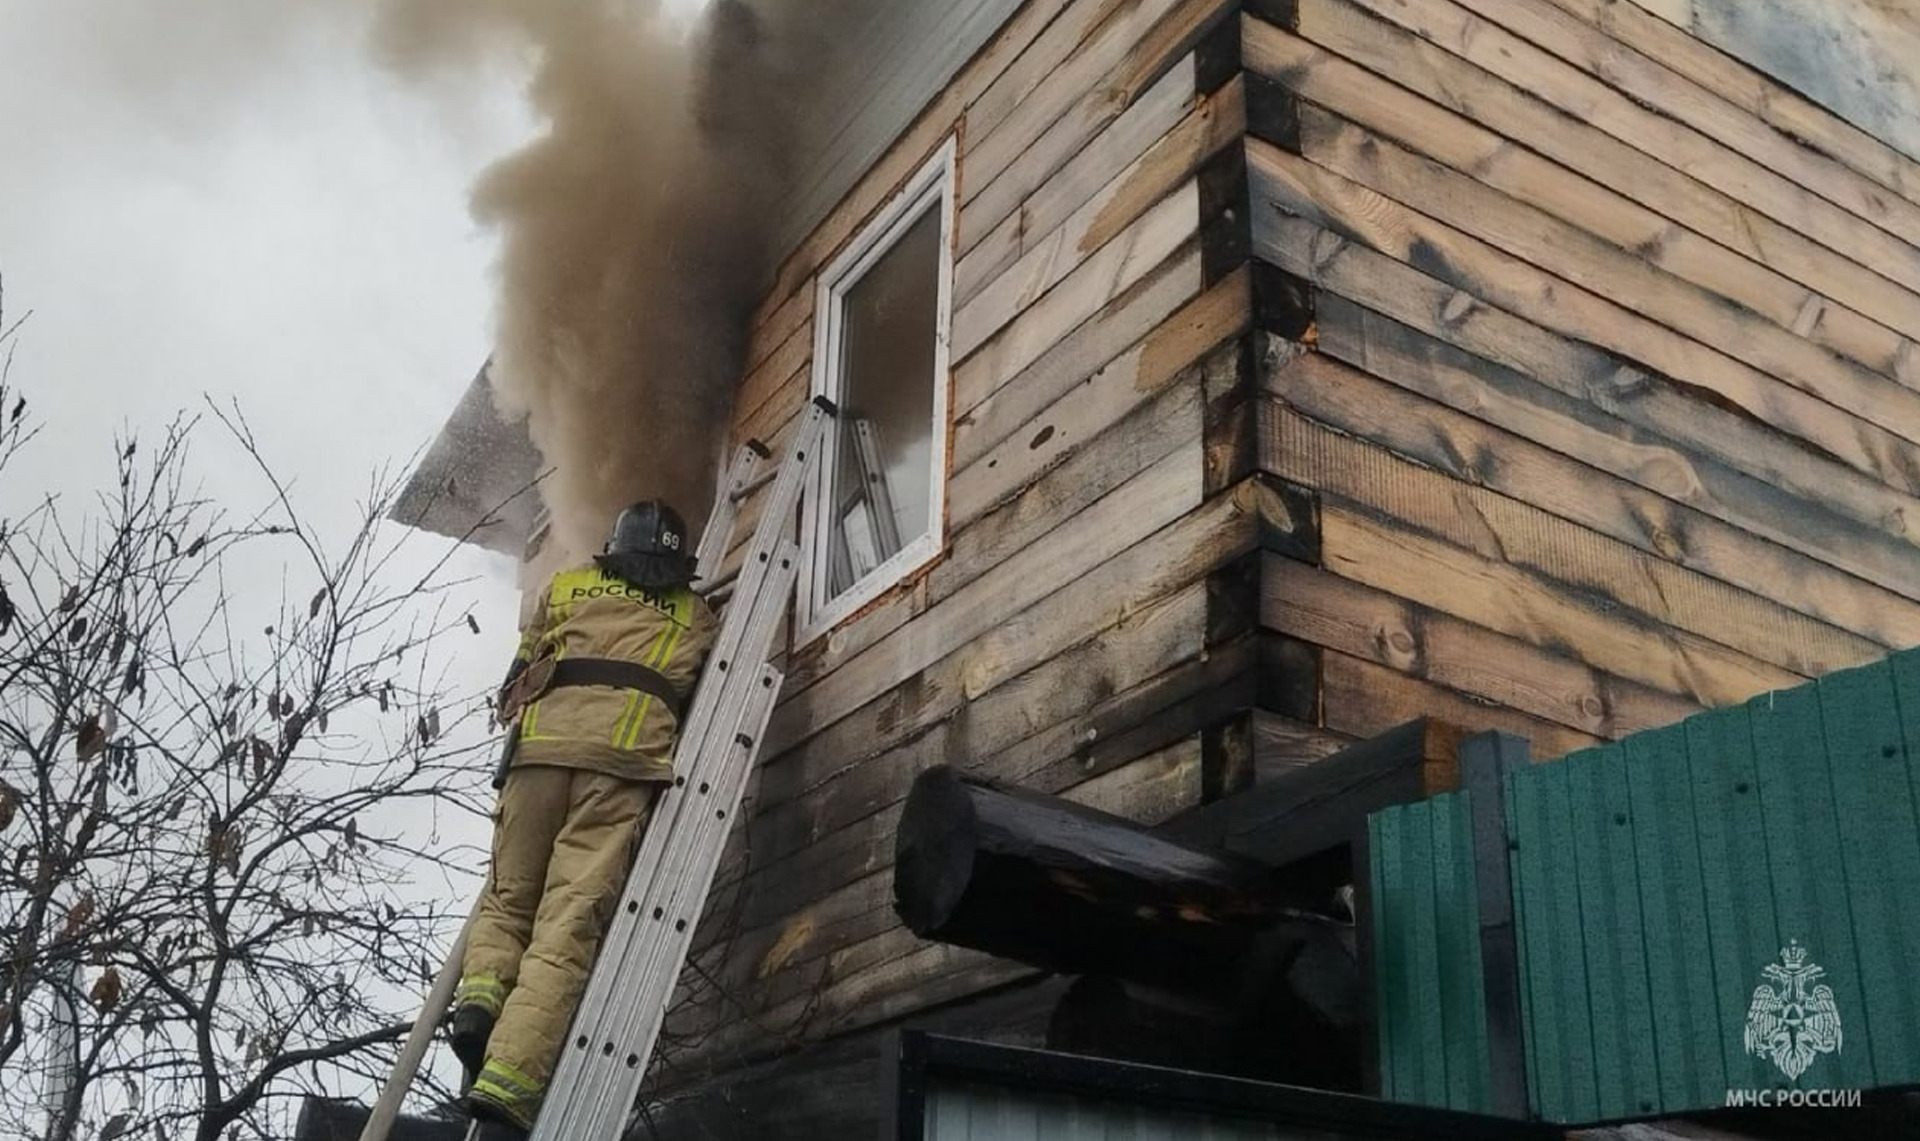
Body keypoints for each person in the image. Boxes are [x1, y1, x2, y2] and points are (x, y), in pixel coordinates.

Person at [449, 499, 719, 1138]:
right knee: (566, 924)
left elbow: (518, 674)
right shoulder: (696, 615)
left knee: (509, 899)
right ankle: (509, 1081)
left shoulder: (567, 586)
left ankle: (479, 1005)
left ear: (614, 548)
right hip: (616, 770)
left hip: (537, 761)